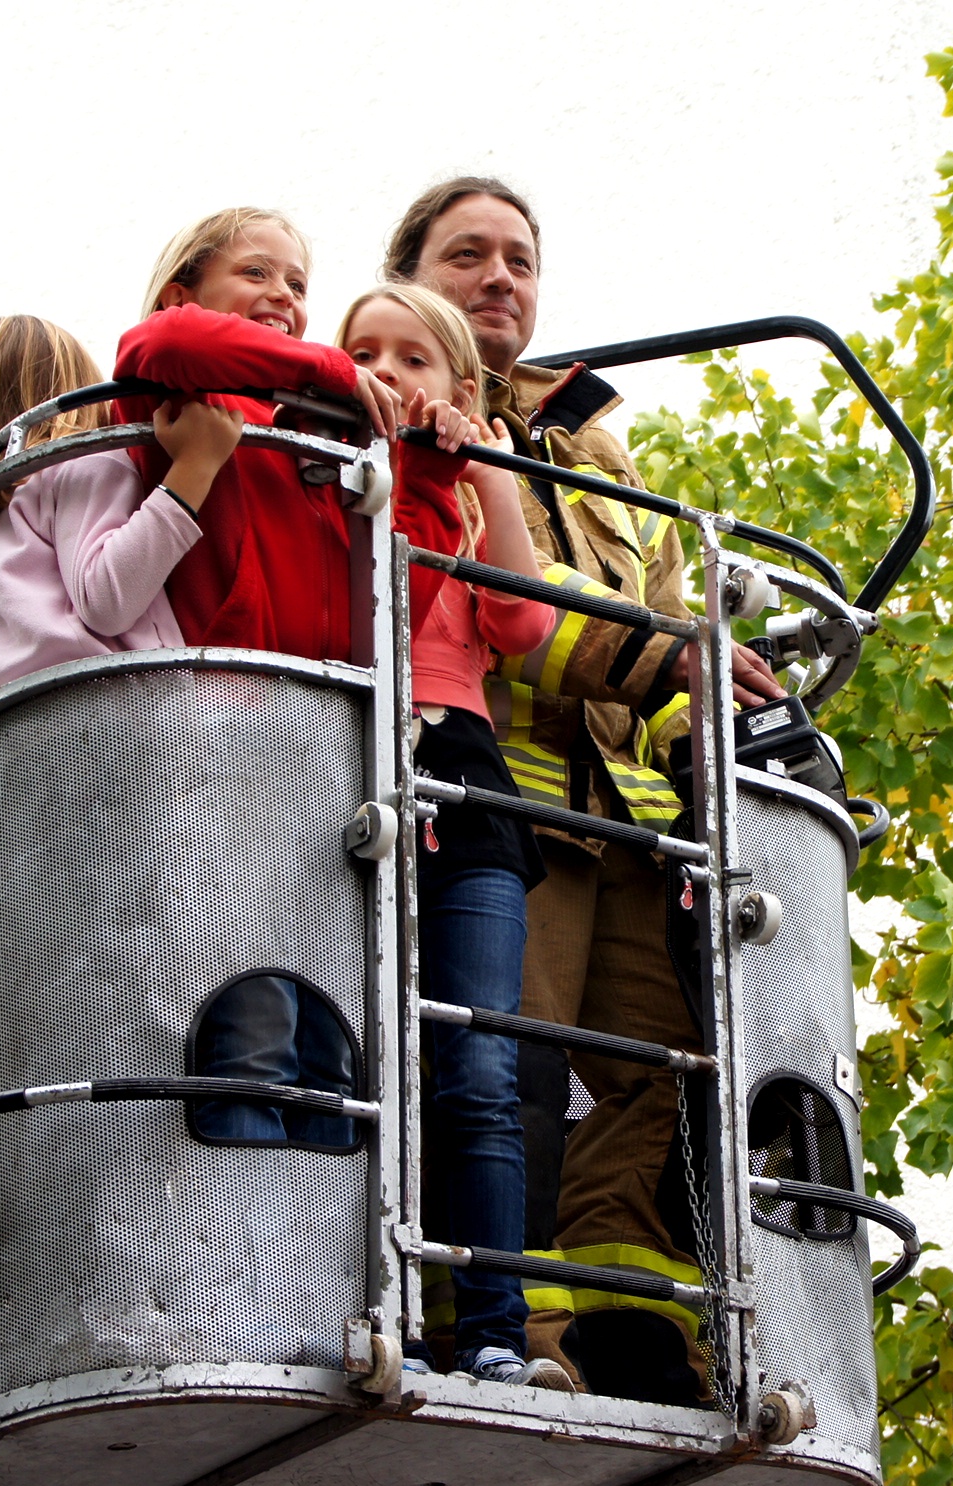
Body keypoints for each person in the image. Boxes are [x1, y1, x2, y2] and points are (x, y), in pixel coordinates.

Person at [385, 179, 787, 1406]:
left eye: (520, 257)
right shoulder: (409, 414)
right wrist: (665, 656)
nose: (499, 276)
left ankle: (635, 1328)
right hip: (504, 810)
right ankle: (510, 1335)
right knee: (498, 1066)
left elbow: (661, 618)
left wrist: (709, 720)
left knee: (667, 1071)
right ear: (409, 276)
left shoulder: (600, 452)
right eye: (468, 254)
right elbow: (513, 614)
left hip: (632, 827)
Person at [116, 208, 478, 1154]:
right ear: (186, 288)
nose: (283, 296)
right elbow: (159, 342)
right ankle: (230, 1217)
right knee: (246, 1016)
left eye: (298, 285)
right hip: (220, 741)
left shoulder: (311, 451)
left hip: (328, 761)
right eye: (257, 274)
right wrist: (329, 372)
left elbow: (381, 623)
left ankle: (315, 1233)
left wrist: (428, 478)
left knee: (332, 1049)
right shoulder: (199, 407)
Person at [336, 282, 571, 1390]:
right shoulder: (325, 470)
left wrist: (485, 468)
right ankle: (360, 1310)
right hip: (342, 771)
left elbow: (523, 623)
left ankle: (494, 1332)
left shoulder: (474, 486)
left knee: (477, 1065)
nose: (387, 371)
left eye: (413, 358)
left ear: (461, 386)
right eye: (364, 353)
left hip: (466, 779)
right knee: (354, 1055)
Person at [0, 313, 244, 843]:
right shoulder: (82, 464)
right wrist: (195, 469)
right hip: (120, 725)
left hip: (22, 752)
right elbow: (108, 599)